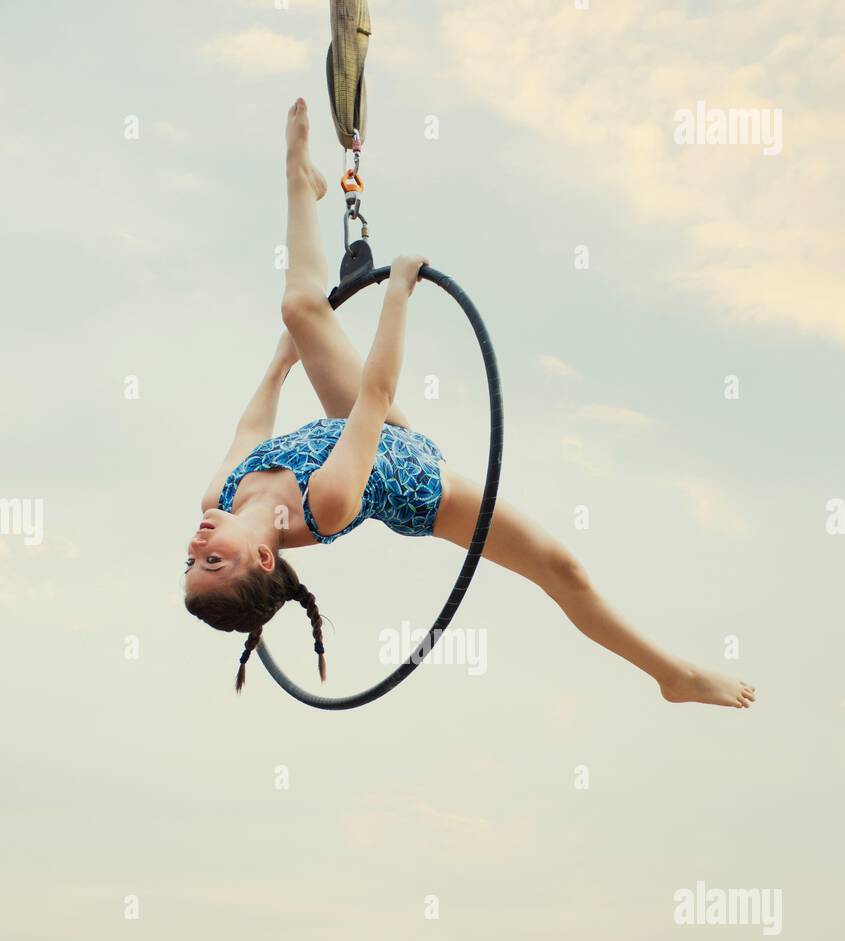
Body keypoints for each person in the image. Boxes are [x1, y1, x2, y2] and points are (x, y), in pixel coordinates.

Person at [186, 99, 755, 710]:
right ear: (265, 557)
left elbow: (254, 422)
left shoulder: (221, 495)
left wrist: (283, 360)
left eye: (191, 560)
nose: (196, 544)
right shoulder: (323, 506)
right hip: (418, 482)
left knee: (299, 310)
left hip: (343, 427)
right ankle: (673, 676)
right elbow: (375, 400)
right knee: (563, 570)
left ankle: (300, 177)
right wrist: (398, 293)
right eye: (212, 561)